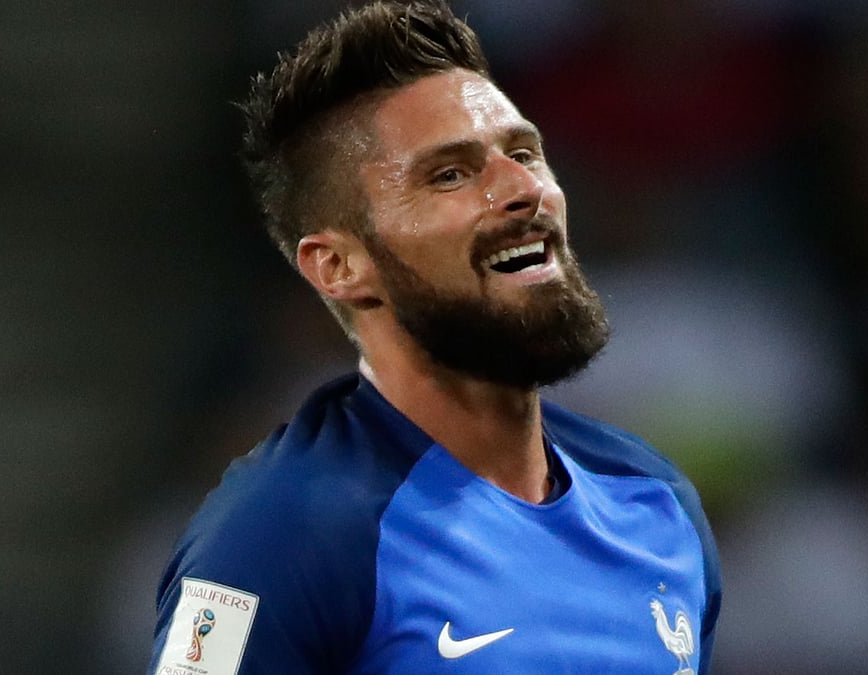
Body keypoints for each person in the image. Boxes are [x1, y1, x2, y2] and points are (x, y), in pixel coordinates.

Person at [149, 1, 721, 673]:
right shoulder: (273, 536)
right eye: (449, 175)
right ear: (339, 266)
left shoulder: (655, 500)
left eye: (524, 153)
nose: (524, 189)